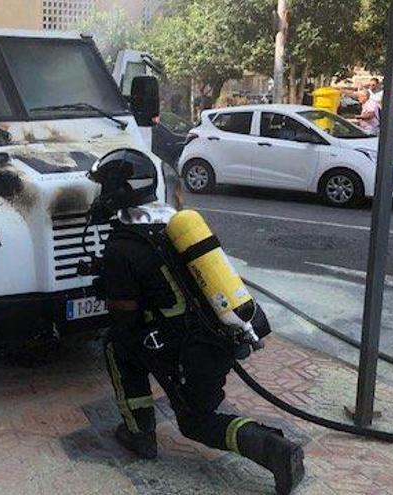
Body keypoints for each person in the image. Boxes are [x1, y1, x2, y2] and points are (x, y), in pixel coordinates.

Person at [87, 149, 305, 495]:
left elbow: (125, 317)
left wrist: (113, 293)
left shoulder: (121, 246)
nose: (99, 198)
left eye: (104, 190)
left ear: (117, 193)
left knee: (126, 353)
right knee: (192, 402)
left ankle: (274, 450)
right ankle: (146, 430)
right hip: (220, 335)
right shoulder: (173, 226)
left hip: (188, 349)